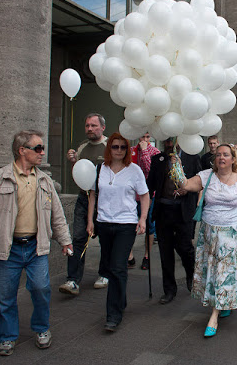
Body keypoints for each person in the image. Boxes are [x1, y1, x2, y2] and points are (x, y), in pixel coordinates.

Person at [0, 130, 73, 356]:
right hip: (8, 248)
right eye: (38, 148)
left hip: (35, 246)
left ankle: (41, 329)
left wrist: (65, 241)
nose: (42, 152)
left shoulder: (45, 180)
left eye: (43, 148)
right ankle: (7, 337)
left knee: (41, 289)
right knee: (7, 296)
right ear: (22, 151)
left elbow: (57, 214)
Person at [176, 144, 237, 337]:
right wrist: (177, 167)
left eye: (226, 154)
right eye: (218, 154)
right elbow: (185, 185)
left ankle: (214, 315)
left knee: (223, 272)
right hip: (209, 233)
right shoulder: (206, 176)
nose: (221, 157)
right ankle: (223, 303)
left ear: (233, 159)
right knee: (214, 272)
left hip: (232, 233)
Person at [87, 133, 150, 332]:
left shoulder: (135, 170)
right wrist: (90, 220)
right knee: (108, 266)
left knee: (117, 267)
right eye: (115, 147)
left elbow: (145, 195)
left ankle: (113, 315)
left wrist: (143, 219)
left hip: (126, 224)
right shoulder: (100, 169)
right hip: (104, 223)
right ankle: (120, 302)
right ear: (109, 148)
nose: (119, 150)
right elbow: (92, 194)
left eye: (123, 147)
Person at [147, 138, 202, 304]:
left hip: (183, 211)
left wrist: (188, 190)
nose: (169, 143)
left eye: (172, 140)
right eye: (167, 140)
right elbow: (150, 186)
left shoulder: (192, 157)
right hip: (164, 210)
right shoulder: (158, 159)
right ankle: (169, 289)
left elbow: (199, 183)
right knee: (165, 251)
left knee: (185, 248)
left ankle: (191, 276)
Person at [59, 113, 108, 295]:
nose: (90, 129)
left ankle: (105, 274)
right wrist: (73, 162)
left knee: (105, 239)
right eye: (87, 125)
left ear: (103, 127)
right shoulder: (81, 148)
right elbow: (79, 173)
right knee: (78, 238)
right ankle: (72, 280)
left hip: (104, 200)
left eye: (94, 125)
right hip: (83, 199)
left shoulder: (110, 146)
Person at [130, 132, 160, 270]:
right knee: (129, 223)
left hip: (148, 194)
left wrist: (144, 152)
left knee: (149, 224)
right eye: (142, 137)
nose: (145, 140)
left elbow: (150, 169)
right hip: (131, 195)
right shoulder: (131, 151)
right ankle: (129, 255)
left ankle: (147, 255)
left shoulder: (155, 152)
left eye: (148, 137)